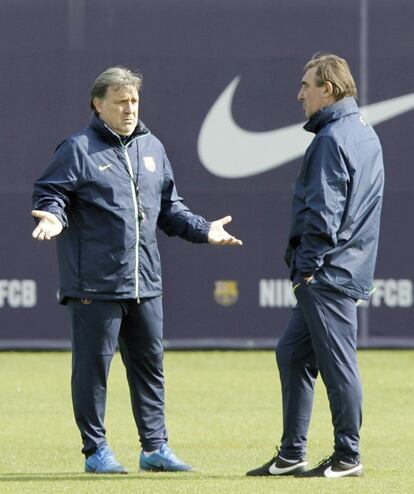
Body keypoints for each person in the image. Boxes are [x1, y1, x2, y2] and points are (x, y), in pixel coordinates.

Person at [32, 66, 242, 474]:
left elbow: (169, 209)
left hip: (145, 282)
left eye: (134, 101)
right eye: (120, 102)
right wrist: (53, 216)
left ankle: (155, 448)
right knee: (93, 370)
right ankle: (96, 451)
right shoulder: (78, 148)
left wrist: (204, 231)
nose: (129, 109)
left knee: (150, 367)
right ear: (98, 105)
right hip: (94, 283)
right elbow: (51, 191)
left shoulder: (153, 148)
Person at [246, 53, 384, 478]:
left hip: (327, 273)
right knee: (292, 354)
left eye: (307, 85)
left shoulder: (330, 139)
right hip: (342, 266)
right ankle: (292, 454)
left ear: (328, 89)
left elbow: (325, 213)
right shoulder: (363, 132)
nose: (299, 94)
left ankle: (348, 456)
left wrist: (307, 266)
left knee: (338, 364)